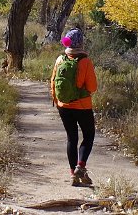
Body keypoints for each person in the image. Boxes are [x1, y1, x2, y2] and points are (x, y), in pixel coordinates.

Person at [49, 27, 98, 187]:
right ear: (81, 43)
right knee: (89, 135)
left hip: (63, 106)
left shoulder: (60, 59)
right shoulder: (85, 61)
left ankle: (74, 175)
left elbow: (53, 82)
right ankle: (81, 166)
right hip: (82, 106)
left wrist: (57, 101)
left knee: (72, 138)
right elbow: (92, 87)